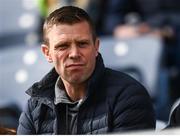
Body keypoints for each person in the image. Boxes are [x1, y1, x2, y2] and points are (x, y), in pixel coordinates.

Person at [17, 6, 155, 134]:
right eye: (63, 46)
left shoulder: (129, 97)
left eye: (82, 44)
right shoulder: (34, 107)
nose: (74, 53)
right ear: (47, 53)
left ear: (96, 47)